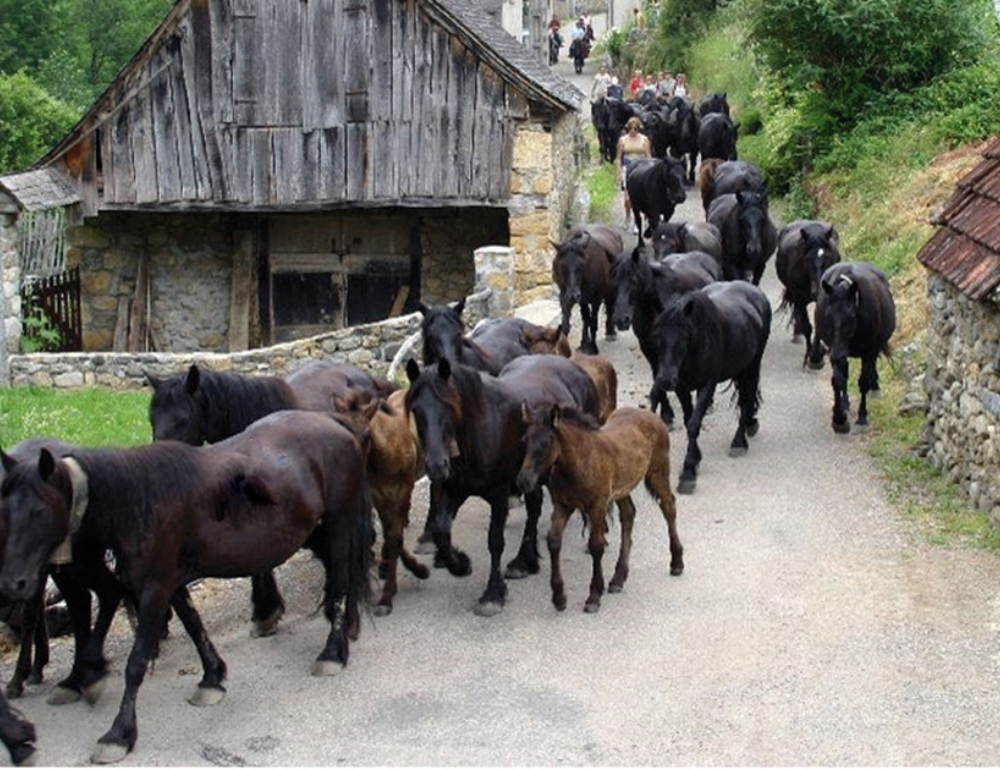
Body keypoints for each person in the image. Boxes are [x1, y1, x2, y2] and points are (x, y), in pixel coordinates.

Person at [616, 116, 652, 234]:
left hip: (641, 167)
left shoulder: (644, 140)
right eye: (631, 128)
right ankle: (628, 217)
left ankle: (644, 220)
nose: (633, 131)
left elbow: (648, 156)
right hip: (628, 167)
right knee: (628, 198)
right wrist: (618, 173)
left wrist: (651, 170)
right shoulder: (622, 140)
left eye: (635, 128)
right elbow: (619, 158)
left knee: (644, 196)